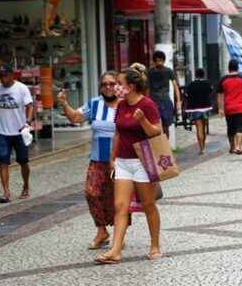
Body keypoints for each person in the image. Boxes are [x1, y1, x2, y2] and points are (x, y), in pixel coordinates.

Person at [95, 67, 163, 265]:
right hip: (123, 162)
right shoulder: (122, 105)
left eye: (120, 84)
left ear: (131, 86)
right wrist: (112, 158)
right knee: (120, 207)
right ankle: (115, 251)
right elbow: (117, 133)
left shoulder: (147, 104)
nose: (116, 87)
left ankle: (155, 246)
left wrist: (142, 120)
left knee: (148, 205)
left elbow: (156, 132)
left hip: (144, 161)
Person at [58, 71, 124, 249]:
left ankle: (119, 234)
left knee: (118, 199)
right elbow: (75, 117)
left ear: (118, 85)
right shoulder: (94, 104)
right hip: (97, 159)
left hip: (120, 160)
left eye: (112, 83)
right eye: (104, 84)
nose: (108, 87)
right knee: (91, 193)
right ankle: (102, 231)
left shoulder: (125, 105)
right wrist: (64, 103)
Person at [0, 64, 34, 203]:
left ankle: (26, 186)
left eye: (5, 76)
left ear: (12, 75)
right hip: (3, 132)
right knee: (3, 162)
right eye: (1, 76)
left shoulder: (21, 88)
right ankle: (6, 192)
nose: (3, 79)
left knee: (23, 161)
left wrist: (27, 122)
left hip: (19, 132)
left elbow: (30, 106)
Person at [217, 60, 242, 155]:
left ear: (229, 68)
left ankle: (232, 147)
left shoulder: (223, 79)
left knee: (231, 128)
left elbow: (219, 95)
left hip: (229, 108)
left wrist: (220, 108)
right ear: (237, 67)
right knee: (240, 128)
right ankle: (238, 146)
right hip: (241, 108)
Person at [147, 51, 181, 138]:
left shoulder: (167, 71)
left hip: (163, 101)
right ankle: (161, 147)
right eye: (158, 61)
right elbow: (147, 87)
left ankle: (165, 147)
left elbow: (175, 86)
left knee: (165, 126)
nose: (159, 63)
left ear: (164, 60)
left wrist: (178, 101)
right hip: (155, 101)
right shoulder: (150, 72)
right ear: (154, 62)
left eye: (161, 61)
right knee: (156, 126)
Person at [183, 68, 213, 155]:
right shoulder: (207, 84)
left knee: (199, 128)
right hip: (206, 108)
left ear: (195, 75)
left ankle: (201, 149)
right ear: (204, 75)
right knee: (204, 128)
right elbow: (210, 92)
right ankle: (204, 145)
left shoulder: (191, 85)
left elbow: (186, 95)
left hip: (195, 109)